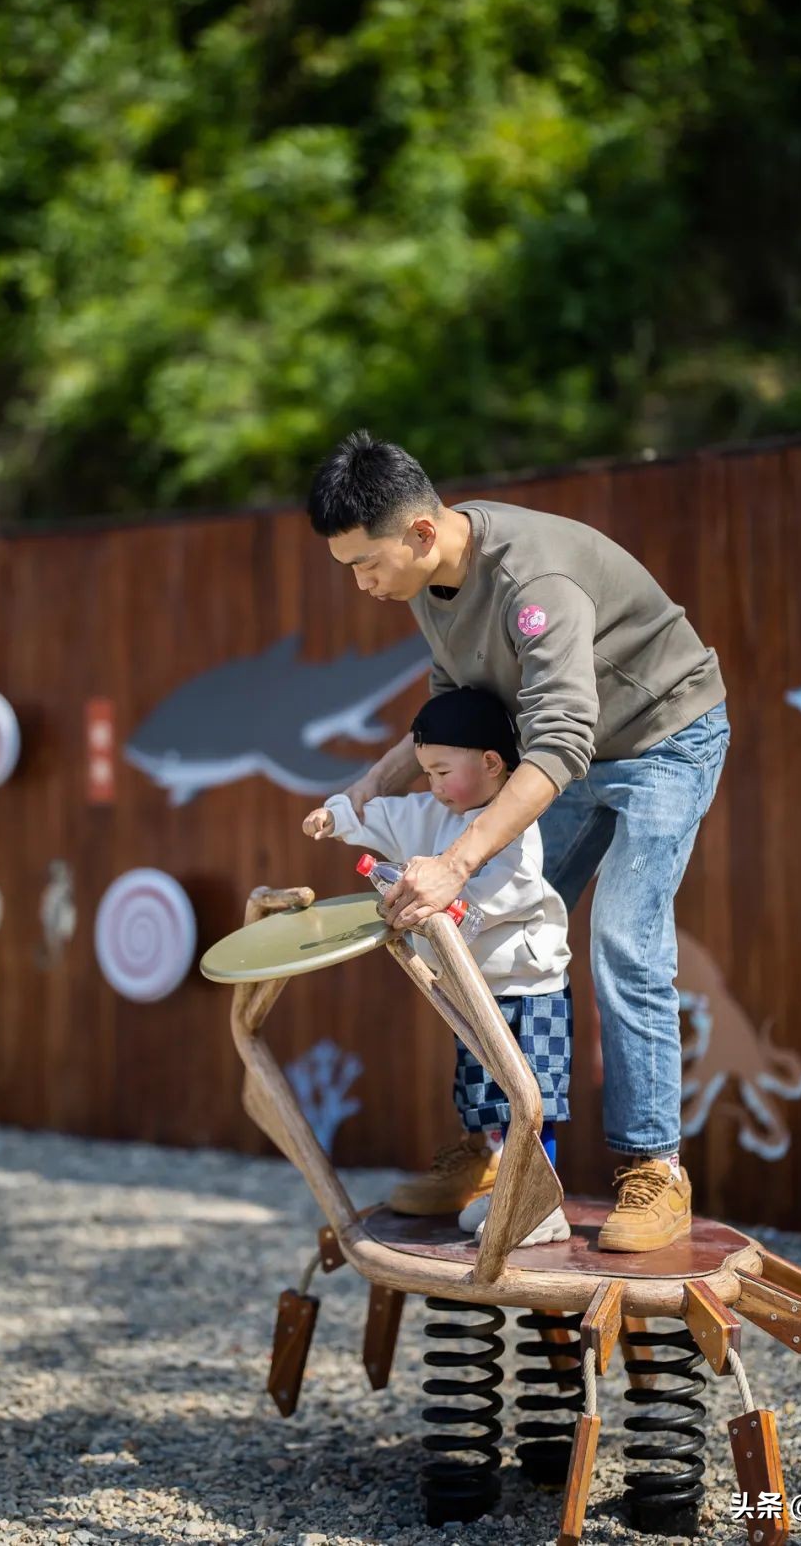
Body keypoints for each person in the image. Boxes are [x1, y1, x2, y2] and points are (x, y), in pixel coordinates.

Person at [307, 431, 731, 1252]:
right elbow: (460, 710)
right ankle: (502, 1152)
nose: (361, 584)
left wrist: (455, 861)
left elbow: (561, 742)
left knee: (623, 940)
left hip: (662, 740)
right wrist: (370, 787)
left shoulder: (534, 583)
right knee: (485, 928)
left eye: (365, 565)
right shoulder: (431, 581)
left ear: (420, 533)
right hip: (565, 754)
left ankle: (654, 1168)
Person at [302, 686, 572, 1247]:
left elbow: (508, 893)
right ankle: (506, 1191)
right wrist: (335, 817)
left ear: (492, 763)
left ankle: (539, 1202)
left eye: (443, 771)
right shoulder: (430, 813)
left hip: (527, 986)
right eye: (426, 773)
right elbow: (379, 815)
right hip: (472, 990)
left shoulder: (513, 825)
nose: (433, 785)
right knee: (488, 1096)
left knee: (531, 1097)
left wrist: (448, 901)